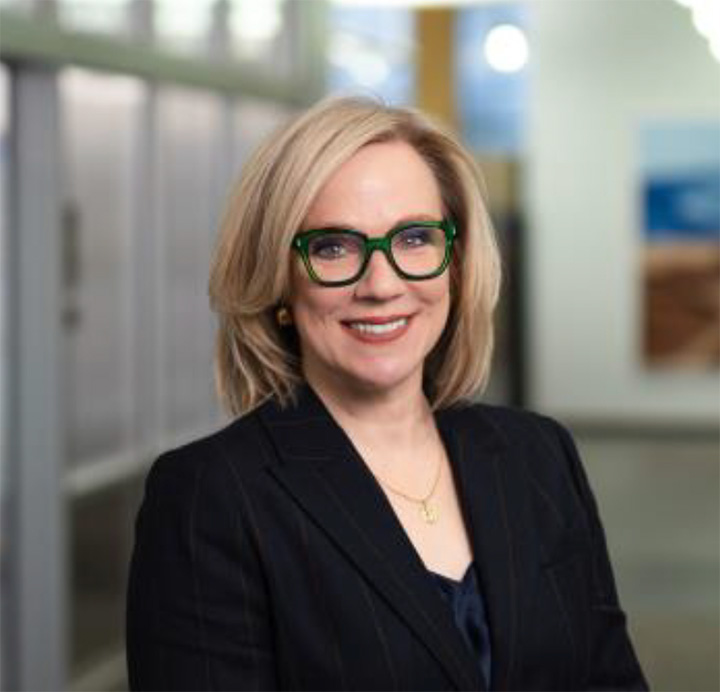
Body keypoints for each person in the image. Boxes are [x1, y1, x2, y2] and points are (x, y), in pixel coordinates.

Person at [126, 97, 648, 691]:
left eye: (415, 238)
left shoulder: (538, 455)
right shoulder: (211, 496)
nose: (382, 284)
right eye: (333, 247)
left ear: (456, 263)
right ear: (279, 278)